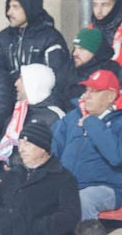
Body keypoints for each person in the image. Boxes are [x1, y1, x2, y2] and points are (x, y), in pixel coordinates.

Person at [52, 70, 122, 220]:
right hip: (67, 184)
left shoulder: (119, 122)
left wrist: (92, 123)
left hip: (106, 188)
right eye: (87, 90)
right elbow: (51, 148)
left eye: (94, 91)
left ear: (110, 96)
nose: (86, 95)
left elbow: (116, 156)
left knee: (83, 199)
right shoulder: (72, 117)